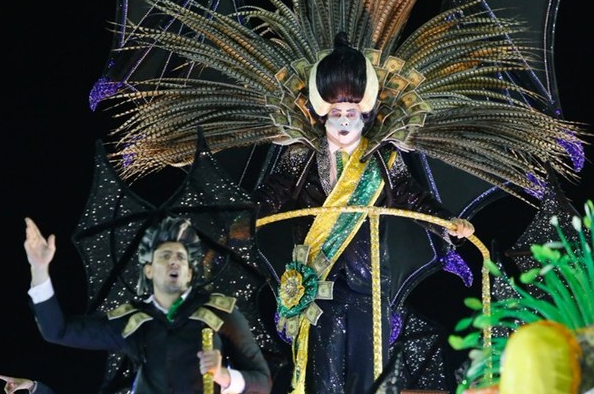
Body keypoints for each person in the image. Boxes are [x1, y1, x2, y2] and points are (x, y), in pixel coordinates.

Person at [252, 32, 475, 394]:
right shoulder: (301, 156)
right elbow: (271, 194)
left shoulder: (383, 160)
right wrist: (241, 220)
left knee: (370, 373)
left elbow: (412, 197)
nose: (343, 120)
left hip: (370, 282)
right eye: (336, 112)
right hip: (317, 281)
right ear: (323, 112)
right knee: (324, 378)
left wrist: (447, 222)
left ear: (364, 113)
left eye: (350, 112)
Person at [23, 215, 272, 394]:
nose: (174, 262)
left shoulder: (219, 312)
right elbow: (58, 331)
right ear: (149, 270)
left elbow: (262, 381)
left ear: (189, 273)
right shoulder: (134, 320)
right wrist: (40, 270)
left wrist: (224, 376)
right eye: (165, 256)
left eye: (181, 258)